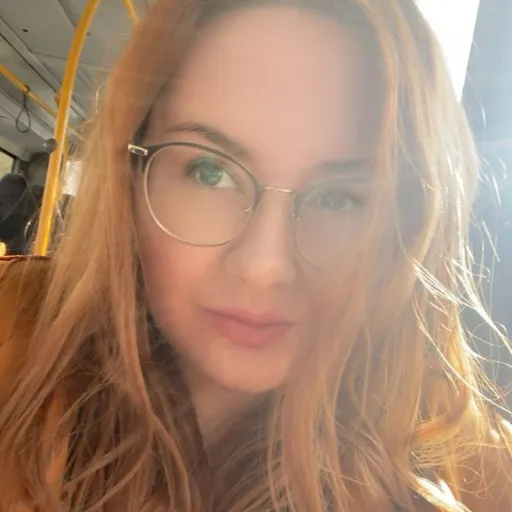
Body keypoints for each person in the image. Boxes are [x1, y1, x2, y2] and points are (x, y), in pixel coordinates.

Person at [0, 0, 510, 510]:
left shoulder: (478, 475)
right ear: (129, 176)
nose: (265, 267)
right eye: (210, 173)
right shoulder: (13, 348)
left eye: (339, 198)